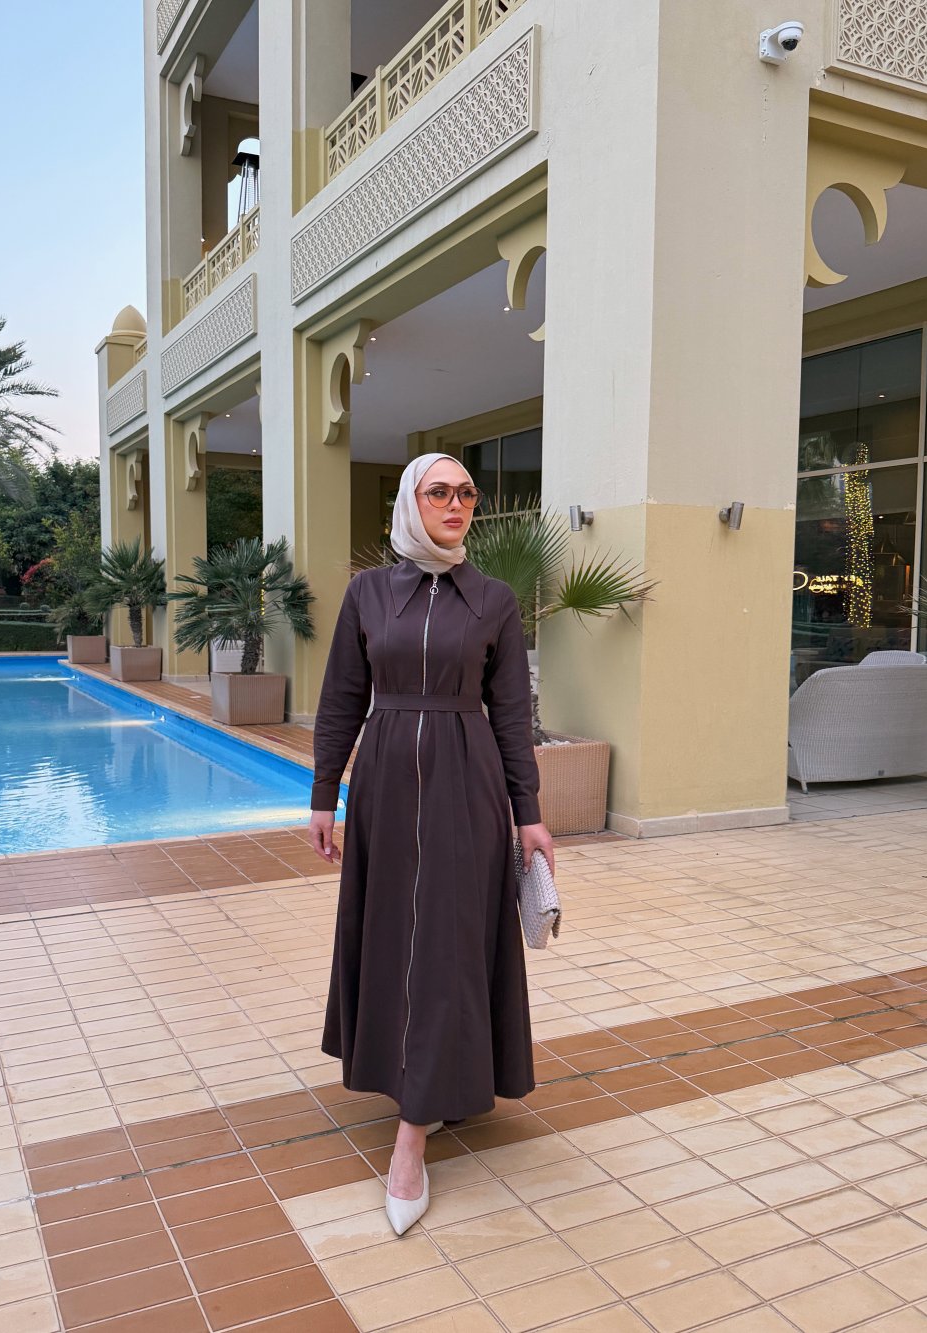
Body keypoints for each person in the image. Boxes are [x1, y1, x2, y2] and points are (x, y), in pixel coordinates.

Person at [308, 452, 555, 1235]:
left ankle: (411, 1141)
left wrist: (528, 812)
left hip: (465, 786)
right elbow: (342, 697)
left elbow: (510, 714)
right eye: (439, 491)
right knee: (395, 939)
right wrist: (324, 794)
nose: (456, 504)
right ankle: (423, 1077)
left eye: (467, 493)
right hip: (384, 787)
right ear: (411, 502)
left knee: (445, 946)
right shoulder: (368, 593)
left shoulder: (494, 600)